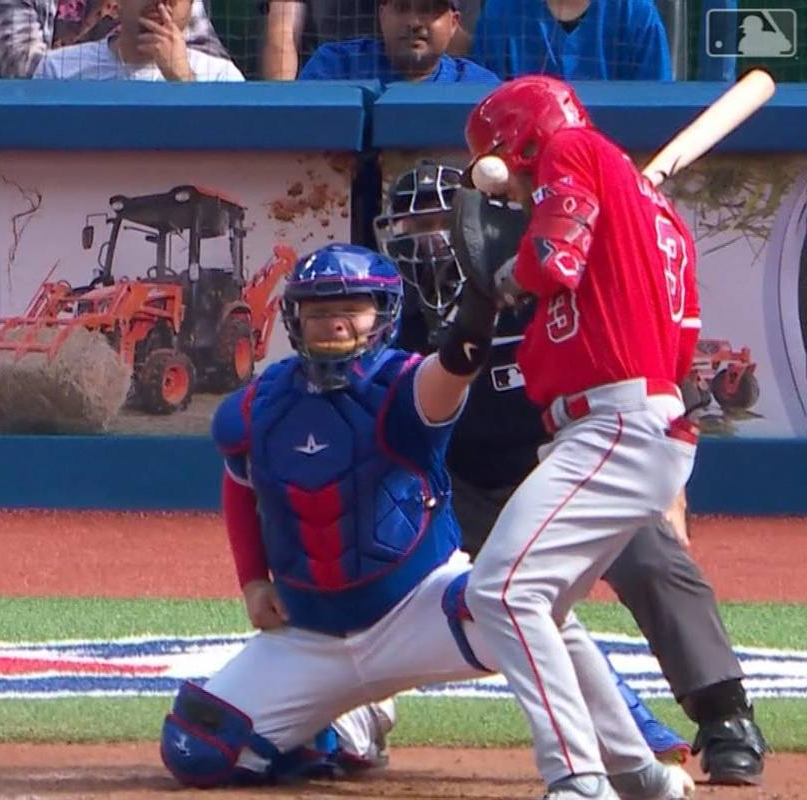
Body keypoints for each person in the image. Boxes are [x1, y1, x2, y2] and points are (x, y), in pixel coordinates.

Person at [158, 242, 693, 799]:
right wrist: (253, 578)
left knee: (520, 604)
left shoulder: (407, 384)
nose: (334, 322)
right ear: (295, 318)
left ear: (383, 314)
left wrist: (482, 303)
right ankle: (347, 729)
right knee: (197, 749)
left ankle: (633, 749)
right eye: (318, 310)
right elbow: (241, 485)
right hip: (309, 632)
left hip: (423, 607)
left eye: (353, 308)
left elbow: (459, 362)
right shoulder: (255, 407)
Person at [379, 159, 769, 786]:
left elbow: (648, 379)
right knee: (383, 565)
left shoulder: (555, 285)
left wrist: (669, 491)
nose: (428, 239)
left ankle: (725, 714)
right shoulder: (395, 316)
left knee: (651, 557)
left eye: (440, 221)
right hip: (460, 489)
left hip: (568, 465)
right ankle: (353, 721)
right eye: (413, 224)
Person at [457, 75, 708, 799]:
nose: (510, 195)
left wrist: (514, 267)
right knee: (544, 606)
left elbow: (556, 256)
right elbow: (682, 341)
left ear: (516, 139)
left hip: (617, 420)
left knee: (501, 591)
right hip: (637, 417)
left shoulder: (572, 147)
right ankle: (637, 773)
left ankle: (577, 778)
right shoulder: (656, 212)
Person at [0, 0, 227, 78]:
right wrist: (89, 65)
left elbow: (204, 63)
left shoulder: (219, 72)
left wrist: (182, 79)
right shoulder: (54, 68)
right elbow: (22, 72)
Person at [298, 0, 498, 82]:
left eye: (428, 10)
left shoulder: (478, 86)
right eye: (402, 8)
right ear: (382, 15)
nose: (414, 22)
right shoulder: (335, 68)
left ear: (454, 23)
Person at [470, 0, 671, 81]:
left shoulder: (636, 13)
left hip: (614, 158)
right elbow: (485, 110)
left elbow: (657, 109)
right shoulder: (500, 13)